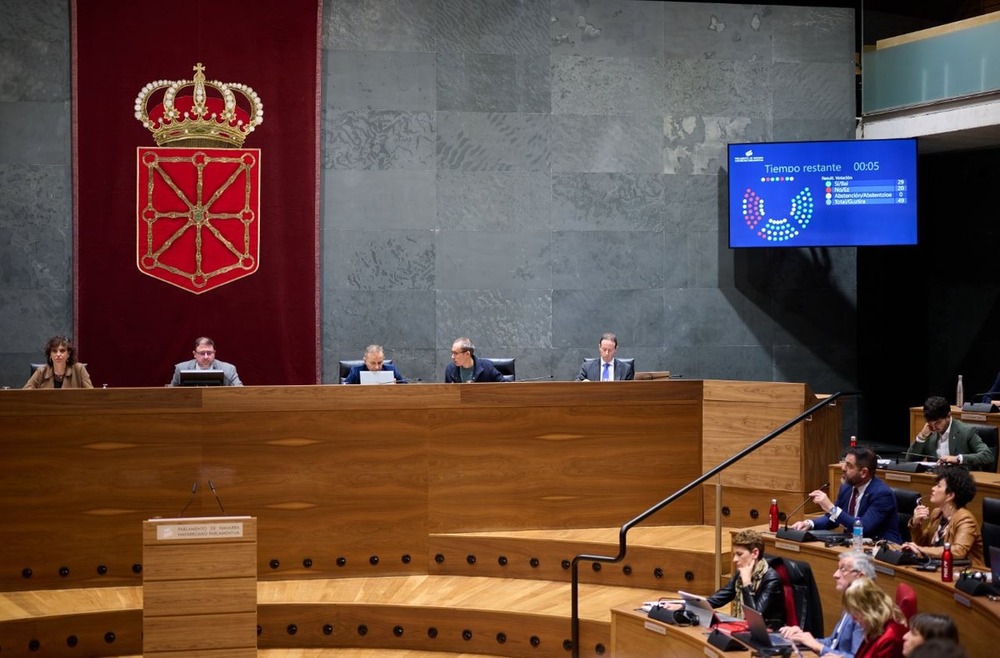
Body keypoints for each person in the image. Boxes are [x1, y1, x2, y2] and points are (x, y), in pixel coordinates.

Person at [665, 529, 786, 629]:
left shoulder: (771, 579)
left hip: (768, 633)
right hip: (745, 628)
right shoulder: (741, 574)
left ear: (755, 553)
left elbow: (755, 618)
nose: (734, 560)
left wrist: (746, 583)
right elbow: (718, 599)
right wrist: (683, 606)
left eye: (739, 554)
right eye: (734, 554)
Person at [791, 446, 902, 543]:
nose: (843, 468)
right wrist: (810, 523)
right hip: (853, 545)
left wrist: (831, 508)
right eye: (844, 463)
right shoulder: (847, 487)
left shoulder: (882, 494)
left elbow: (863, 528)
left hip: (882, 550)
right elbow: (833, 519)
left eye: (849, 465)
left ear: (863, 472)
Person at [780, 549, 876, 656]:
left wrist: (819, 647)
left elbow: (857, 656)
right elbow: (833, 642)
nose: (835, 575)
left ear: (860, 576)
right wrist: (804, 638)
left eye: (843, 569)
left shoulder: (865, 611)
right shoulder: (852, 604)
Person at [900, 466, 984, 564]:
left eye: (939, 486)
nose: (933, 488)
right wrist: (916, 524)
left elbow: (958, 551)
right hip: (939, 566)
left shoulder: (965, 519)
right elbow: (923, 544)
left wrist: (920, 549)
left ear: (950, 495)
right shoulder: (937, 513)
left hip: (964, 571)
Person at [905, 396, 994, 470]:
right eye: (930, 423)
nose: (934, 427)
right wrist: (922, 436)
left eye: (938, 422)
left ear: (948, 416)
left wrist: (958, 459)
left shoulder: (966, 431)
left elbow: (987, 455)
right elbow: (909, 461)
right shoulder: (929, 432)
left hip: (959, 479)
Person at [842, 577, 907, 658]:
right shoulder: (877, 626)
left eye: (856, 613)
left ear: (869, 609)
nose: (853, 618)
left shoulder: (890, 638)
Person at [23, 336, 94, 389]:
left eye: (62, 351)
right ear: (50, 354)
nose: (58, 354)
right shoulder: (41, 371)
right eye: (54, 351)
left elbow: (90, 394)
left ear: (68, 354)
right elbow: (25, 393)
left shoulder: (79, 369)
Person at [169, 337, 243, 386]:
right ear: (194, 354)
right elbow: (171, 393)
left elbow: (240, 391)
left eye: (209, 353)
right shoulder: (181, 368)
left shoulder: (229, 369)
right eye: (202, 353)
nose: (206, 357)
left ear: (214, 353)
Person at [343, 344, 407, 384]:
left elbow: (405, 385)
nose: (377, 367)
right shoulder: (356, 371)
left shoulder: (391, 369)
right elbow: (344, 388)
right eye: (373, 363)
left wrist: (397, 385)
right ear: (365, 361)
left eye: (379, 363)